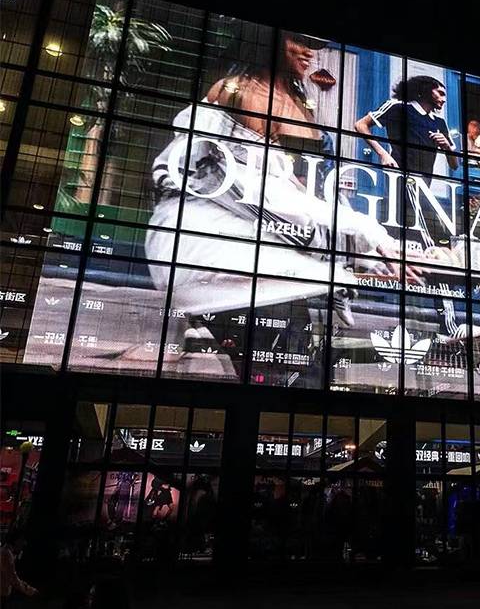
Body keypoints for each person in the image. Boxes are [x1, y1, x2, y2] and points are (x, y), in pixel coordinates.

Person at [145, 32, 411, 369]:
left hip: (283, 252)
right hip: (236, 253)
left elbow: (301, 189)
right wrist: (364, 237)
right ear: (268, 40)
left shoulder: (298, 99)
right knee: (282, 365)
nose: (310, 52)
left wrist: (361, 249)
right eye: (299, 40)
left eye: (315, 45)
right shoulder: (241, 93)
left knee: (292, 364)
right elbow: (256, 190)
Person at [355, 76, 480, 341]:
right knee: (434, 254)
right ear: (425, 90)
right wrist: (384, 154)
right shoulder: (397, 107)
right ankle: (448, 326)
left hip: (423, 191)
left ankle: (442, 325)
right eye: (440, 92)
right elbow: (361, 125)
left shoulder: (439, 123)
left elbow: (453, 165)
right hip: (403, 184)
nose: (443, 97)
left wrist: (448, 146)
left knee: (425, 254)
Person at [1, 529, 38, 609]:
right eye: (22, 540)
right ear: (16, 540)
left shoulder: (8, 552)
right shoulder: (6, 554)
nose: (24, 543)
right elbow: (13, 578)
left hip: (2, 593)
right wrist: (30, 591)